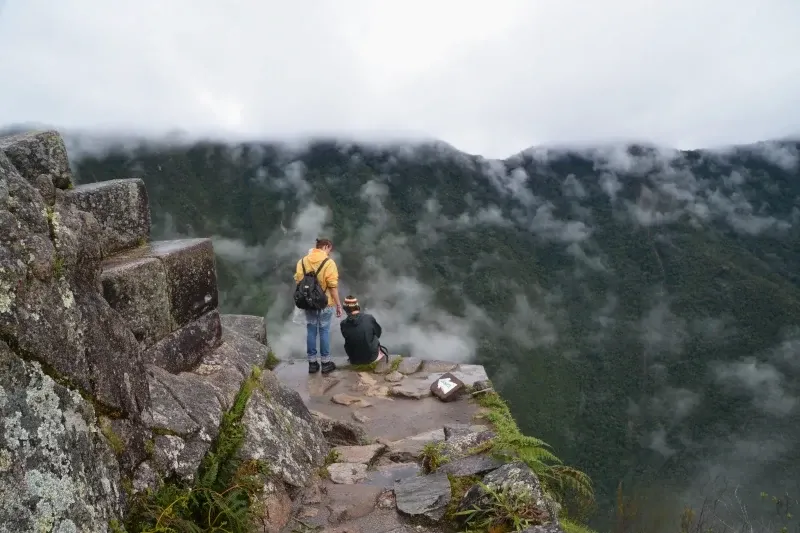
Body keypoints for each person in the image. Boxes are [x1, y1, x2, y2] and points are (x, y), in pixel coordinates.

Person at [294, 238, 342, 374]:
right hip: (325, 303)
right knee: (324, 331)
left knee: (311, 330)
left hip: (308, 302)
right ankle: (326, 363)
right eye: (329, 249)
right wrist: (338, 305)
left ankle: (312, 364)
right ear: (326, 247)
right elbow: (333, 287)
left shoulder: (302, 261)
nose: (329, 252)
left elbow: (298, 280)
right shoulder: (329, 263)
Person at [340, 295, 388, 365]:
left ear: (345, 309)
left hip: (354, 359)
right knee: (373, 334)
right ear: (357, 306)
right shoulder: (369, 318)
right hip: (371, 358)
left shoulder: (343, 324)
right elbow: (378, 333)